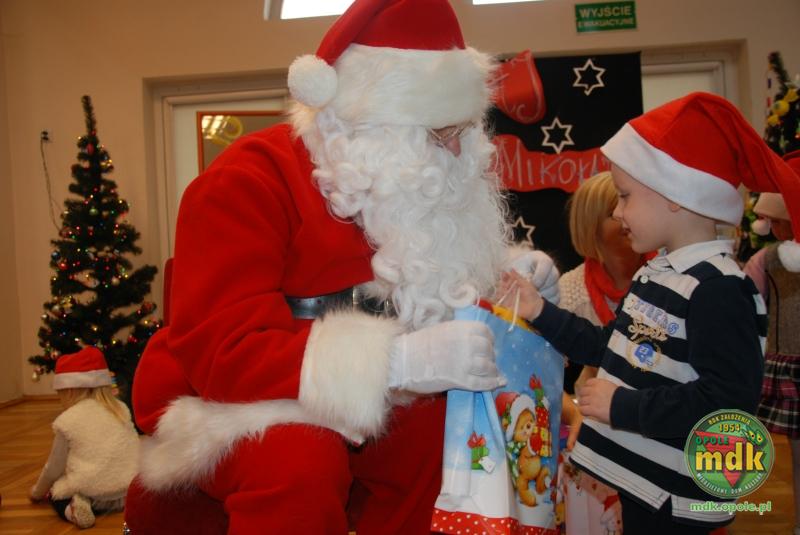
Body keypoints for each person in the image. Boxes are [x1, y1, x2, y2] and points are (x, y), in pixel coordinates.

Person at [130, 0, 558, 533]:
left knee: (445, 436)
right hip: (237, 398)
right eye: (436, 133)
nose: (455, 152)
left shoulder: (417, 176)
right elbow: (225, 354)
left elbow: (430, 272)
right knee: (297, 461)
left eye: (463, 129)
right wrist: (396, 364)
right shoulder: (246, 181)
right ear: (365, 121)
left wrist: (506, 277)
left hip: (385, 400)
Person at [498, 91, 800, 534]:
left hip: (677, 500)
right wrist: (540, 311)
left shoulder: (718, 289)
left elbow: (725, 401)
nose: (617, 212)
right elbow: (611, 346)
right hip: (645, 486)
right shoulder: (657, 273)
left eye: (624, 196)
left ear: (674, 195)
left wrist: (623, 406)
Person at [556, 171, 649, 534]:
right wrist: (575, 412)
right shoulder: (570, 292)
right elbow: (550, 377)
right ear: (592, 224)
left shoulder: (663, 279)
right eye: (617, 207)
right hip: (596, 446)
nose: (628, 215)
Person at [29, 346, 139, 529]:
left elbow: (53, 468)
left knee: (56, 491)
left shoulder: (68, 421)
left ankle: (72, 510)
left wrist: (37, 492)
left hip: (95, 494)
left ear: (70, 391)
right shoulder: (120, 409)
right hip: (127, 492)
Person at [748, 151, 800, 535]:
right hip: (790, 366)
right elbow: (746, 303)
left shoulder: (766, 260)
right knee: (796, 455)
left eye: (778, 221)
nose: (773, 228)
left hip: (789, 362)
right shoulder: (768, 261)